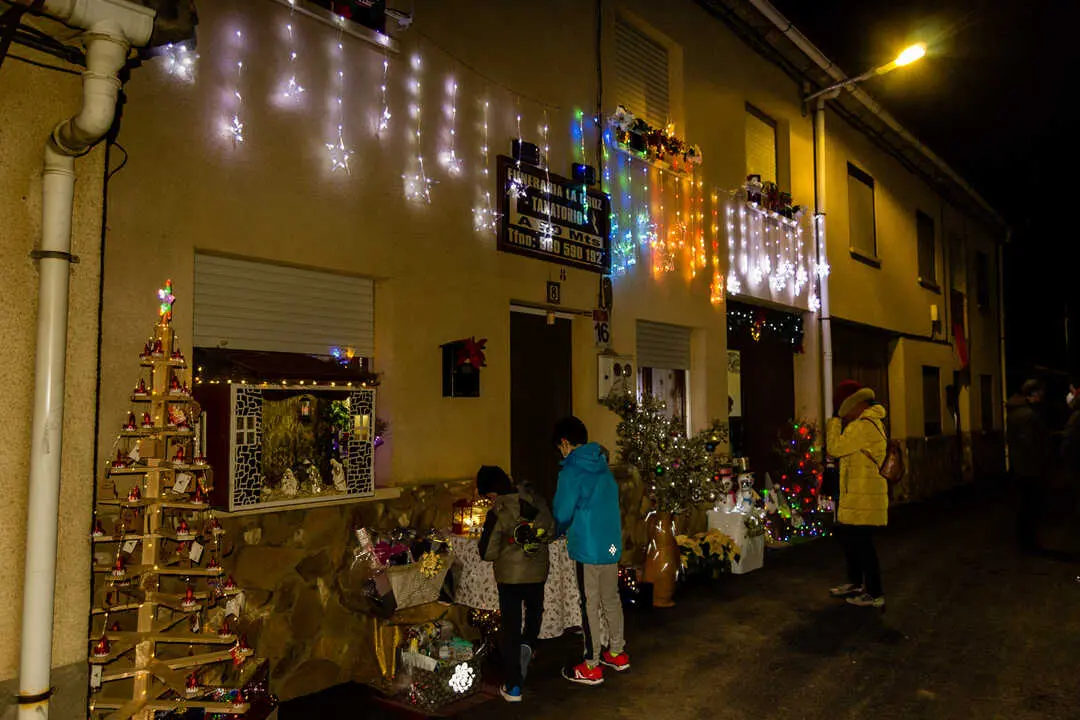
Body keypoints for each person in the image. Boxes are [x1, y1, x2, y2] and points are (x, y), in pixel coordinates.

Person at [551, 416, 629, 685]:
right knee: (611, 599)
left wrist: (556, 530)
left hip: (587, 547)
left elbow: (562, 512)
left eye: (559, 447)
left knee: (590, 606)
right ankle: (617, 652)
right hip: (610, 545)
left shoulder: (571, 471)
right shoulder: (603, 465)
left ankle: (591, 664)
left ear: (564, 443)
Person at [476, 465, 555, 703]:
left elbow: (487, 552)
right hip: (537, 573)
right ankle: (529, 643)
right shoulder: (535, 499)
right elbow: (550, 531)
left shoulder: (498, 511)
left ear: (491, 493)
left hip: (510, 578)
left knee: (510, 627)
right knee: (534, 614)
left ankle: (513, 687)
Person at [826, 380, 889, 609]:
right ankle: (856, 583)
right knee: (852, 541)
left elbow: (834, 448)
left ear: (858, 404)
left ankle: (874, 592)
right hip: (859, 498)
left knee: (862, 545)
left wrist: (833, 422)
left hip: (864, 499)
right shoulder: (870, 423)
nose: (845, 413)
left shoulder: (863, 426)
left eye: (847, 408)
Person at [1006, 379, 1051, 553]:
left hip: (1018, 466)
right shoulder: (1028, 415)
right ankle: (1030, 543)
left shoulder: (1014, 412)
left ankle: (1023, 541)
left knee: (1023, 506)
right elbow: (1032, 442)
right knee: (1031, 506)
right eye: (1040, 394)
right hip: (1030, 468)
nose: (1042, 397)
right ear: (1033, 394)